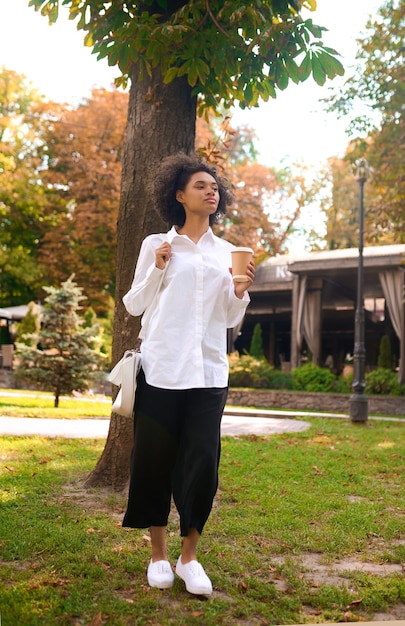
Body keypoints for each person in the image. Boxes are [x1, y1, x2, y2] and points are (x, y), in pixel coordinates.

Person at [122, 152, 254, 596]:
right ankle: (158, 556)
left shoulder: (226, 253)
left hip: (210, 372)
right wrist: (159, 268)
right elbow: (134, 305)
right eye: (200, 185)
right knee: (154, 461)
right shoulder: (156, 245)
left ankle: (189, 558)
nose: (210, 190)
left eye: (214, 186)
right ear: (179, 195)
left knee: (202, 466)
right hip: (161, 368)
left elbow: (230, 318)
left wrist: (239, 291)